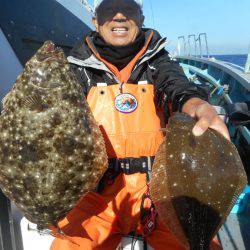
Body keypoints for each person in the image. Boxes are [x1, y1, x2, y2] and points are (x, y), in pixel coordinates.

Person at [51, 0, 229, 249]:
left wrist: (196, 105)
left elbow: (176, 85)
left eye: (129, 9)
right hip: (95, 195)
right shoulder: (74, 69)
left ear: (141, 19)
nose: (120, 16)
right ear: (95, 21)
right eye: (109, 10)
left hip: (160, 191)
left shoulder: (158, 62)